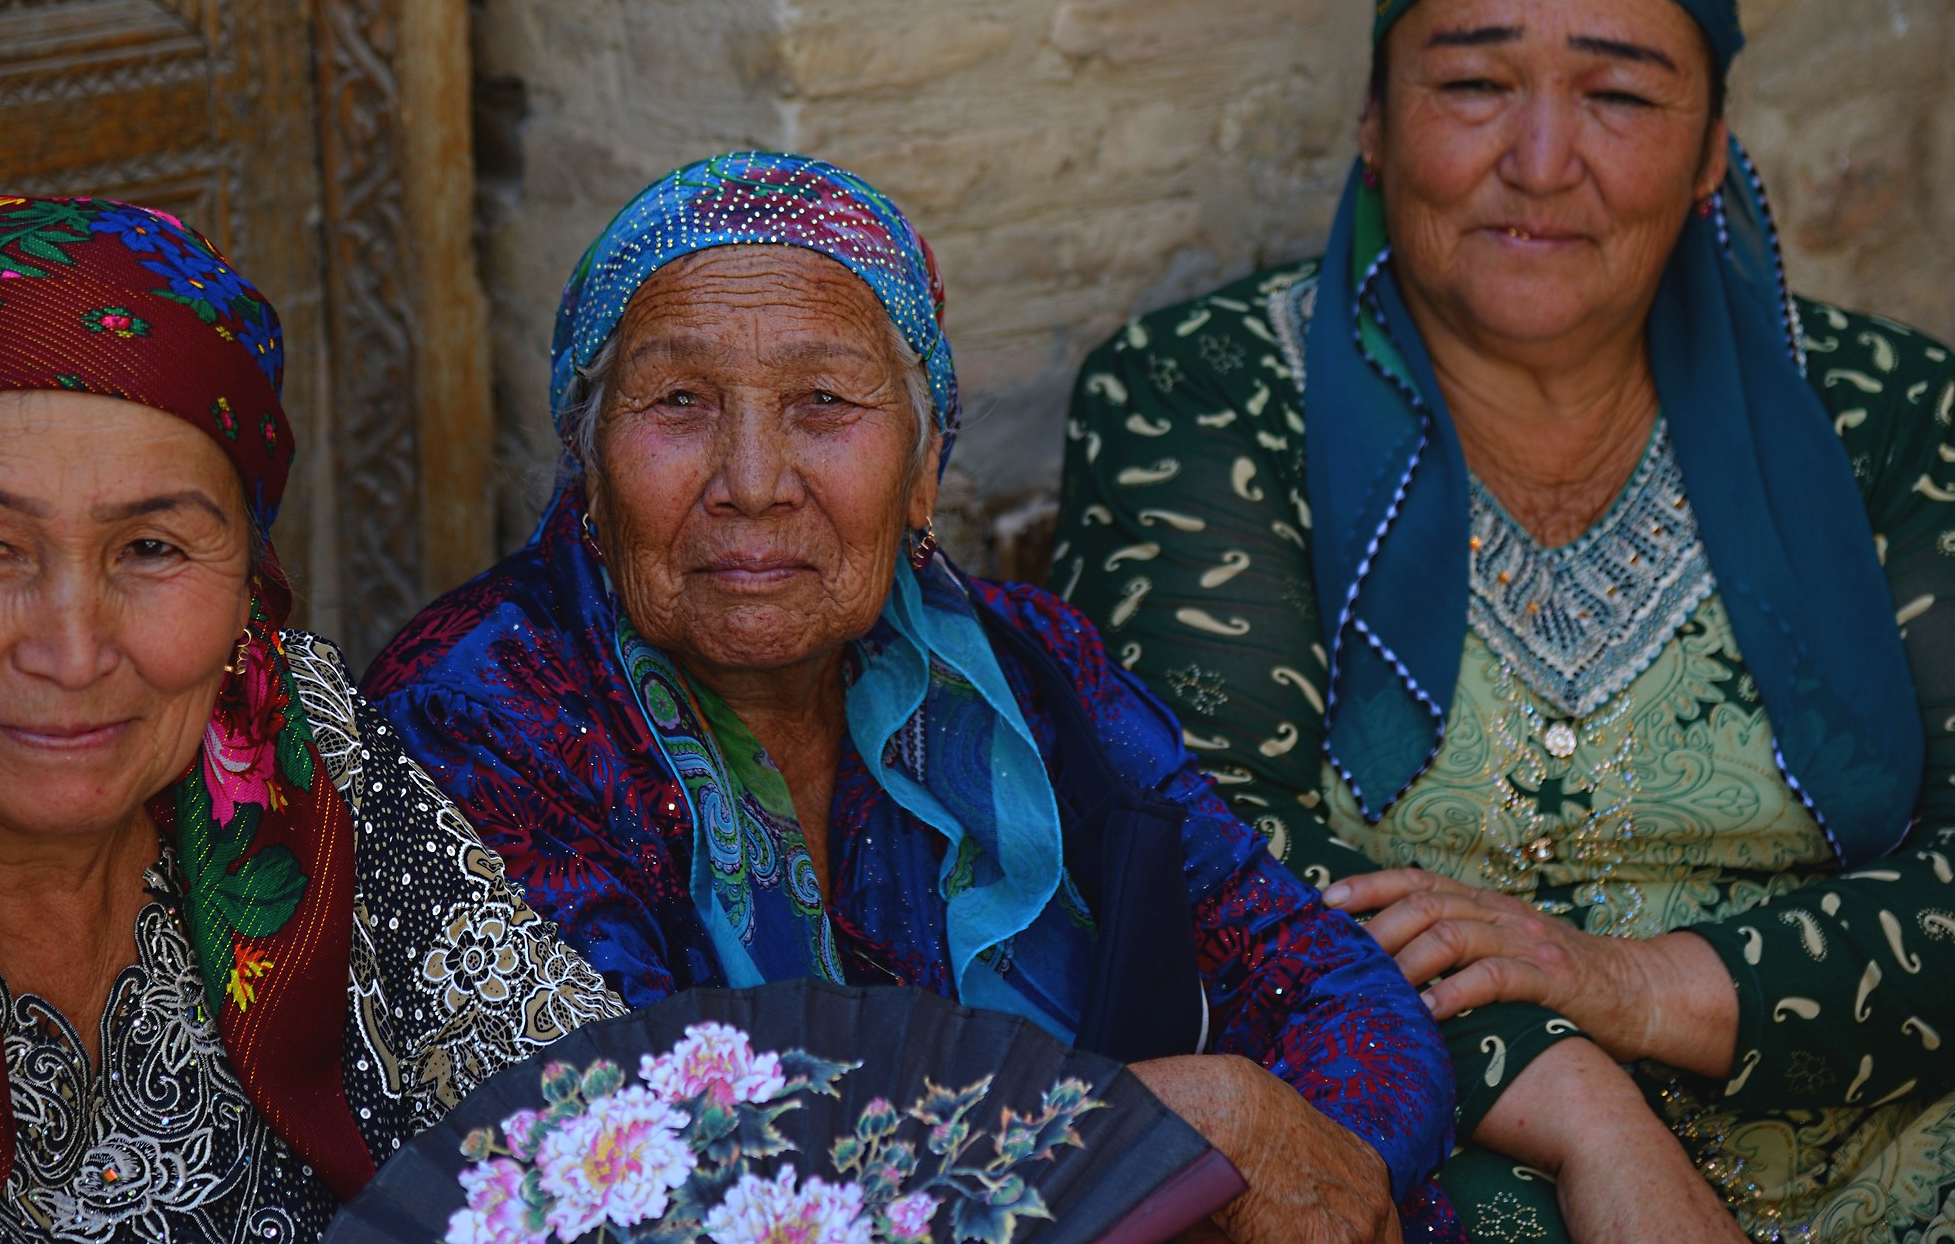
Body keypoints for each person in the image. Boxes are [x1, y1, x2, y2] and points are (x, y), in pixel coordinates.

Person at [1053, 0, 1955, 1243]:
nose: (1541, 159)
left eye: (1621, 97)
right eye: (1472, 84)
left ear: (1712, 145)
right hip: (1466, 1131)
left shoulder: (1879, 405)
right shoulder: (1205, 392)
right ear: (1374, 121)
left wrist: (1639, 981)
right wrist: (1589, 1111)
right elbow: (1211, 858)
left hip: (1895, 1125)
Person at [366, 152, 1461, 1244]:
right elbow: (637, 1156)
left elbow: (1329, 983)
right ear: (590, 466)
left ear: (925, 464)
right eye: (681, 401)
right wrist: (1169, 1130)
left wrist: (1323, 1160)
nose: (752, 479)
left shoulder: (1033, 669)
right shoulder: (474, 710)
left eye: (825, 400)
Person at [0, 197, 621, 1242]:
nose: (74, 651)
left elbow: (594, 1132)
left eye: (153, 549)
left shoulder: (304, 747)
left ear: (246, 589)